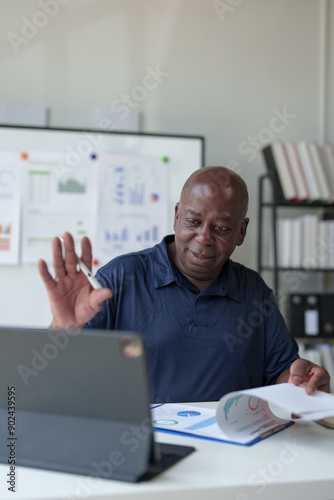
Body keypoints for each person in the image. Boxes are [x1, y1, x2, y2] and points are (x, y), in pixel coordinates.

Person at [38, 166, 330, 402]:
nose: (203, 237)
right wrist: (63, 329)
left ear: (241, 231)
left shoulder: (254, 291)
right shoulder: (119, 279)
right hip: (139, 449)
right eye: (193, 221)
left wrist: (299, 382)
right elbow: (54, 377)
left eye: (221, 228)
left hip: (232, 456)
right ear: (177, 216)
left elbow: (280, 375)